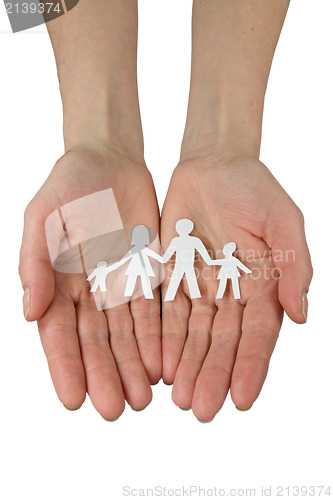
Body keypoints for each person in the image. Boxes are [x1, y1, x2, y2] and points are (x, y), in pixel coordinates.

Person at [19, 0, 312, 422]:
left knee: (180, 282)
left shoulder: (186, 245)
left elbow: (183, 258)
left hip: (200, 267)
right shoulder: (156, 250)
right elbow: (163, 258)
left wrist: (223, 143)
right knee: (169, 283)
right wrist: (96, 142)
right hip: (164, 267)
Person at [164, 219, 213, 301]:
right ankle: (171, 297)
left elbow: (165, 258)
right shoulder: (193, 240)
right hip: (184, 265)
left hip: (182, 266)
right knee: (188, 282)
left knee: (176, 283)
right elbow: (166, 257)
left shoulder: (178, 240)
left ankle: (170, 297)